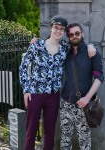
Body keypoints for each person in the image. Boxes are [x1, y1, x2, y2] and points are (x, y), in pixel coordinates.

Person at [19, 15, 96, 150]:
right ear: (51, 28)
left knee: (50, 132)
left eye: (61, 29)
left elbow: (79, 45)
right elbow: (23, 67)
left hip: (53, 96)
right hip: (35, 94)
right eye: (56, 28)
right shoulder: (37, 45)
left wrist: (90, 46)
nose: (58, 31)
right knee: (31, 131)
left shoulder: (64, 48)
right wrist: (26, 90)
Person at [60, 23, 104, 150]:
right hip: (65, 103)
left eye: (77, 33)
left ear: (82, 34)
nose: (74, 36)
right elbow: (50, 45)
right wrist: (35, 42)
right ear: (68, 37)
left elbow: (99, 77)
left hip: (83, 105)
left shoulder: (92, 53)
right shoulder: (65, 52)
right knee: (65, 138)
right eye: (71, 34)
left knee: (84, 140)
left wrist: (87, 98)